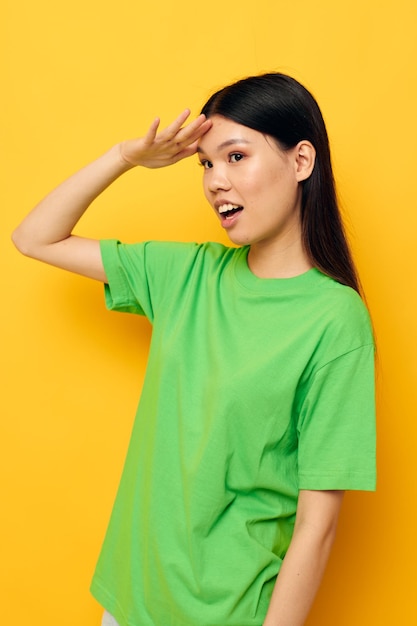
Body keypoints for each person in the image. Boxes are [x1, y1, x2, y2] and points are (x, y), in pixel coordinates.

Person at [12, 72, 376, 626]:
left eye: (235, 157)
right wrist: (125, 157)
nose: (214, 182)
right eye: (205, 164)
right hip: (129, 602)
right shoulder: (187, 275)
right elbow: (35, 237)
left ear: (301, 162)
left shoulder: (335, 321)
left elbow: (317, 526)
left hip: (225, 614)